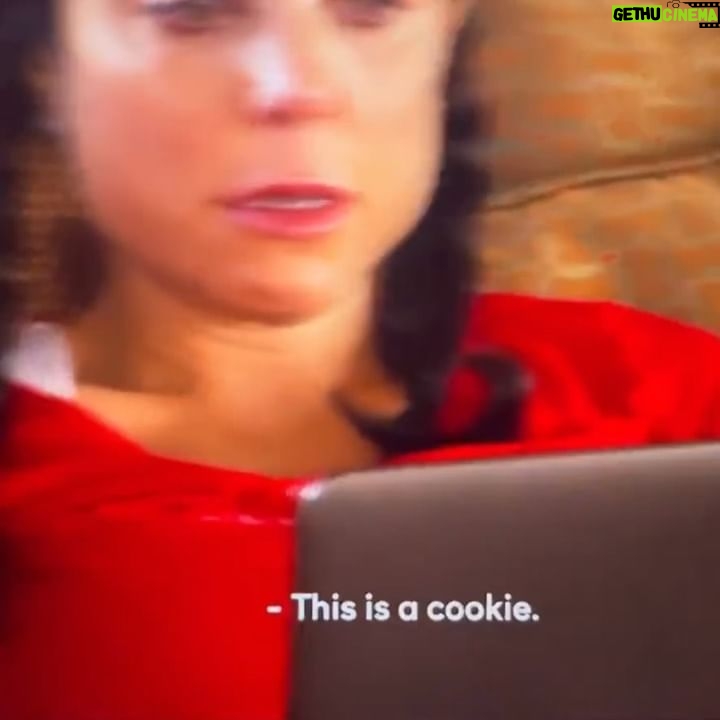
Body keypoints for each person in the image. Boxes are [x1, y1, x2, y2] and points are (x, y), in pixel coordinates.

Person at [0, 0, 718, 718]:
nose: (302, 87)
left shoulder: (650, 391)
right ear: (46, 66)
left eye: (371, 9)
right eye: (192, 11)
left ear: (445, 42)